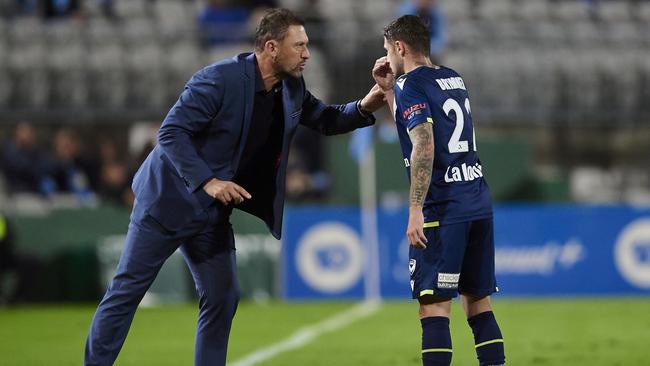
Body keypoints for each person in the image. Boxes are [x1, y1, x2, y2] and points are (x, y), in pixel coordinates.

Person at [84, 8, 384, 366]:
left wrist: (368, 104)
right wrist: (208, 181)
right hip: (167, 202)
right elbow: (170, 133)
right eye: (299, 45)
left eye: (307, 45)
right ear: (271, 47)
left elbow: (325, 119)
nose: (307, 53)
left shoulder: (291, 87)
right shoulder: (218, 79)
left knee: (222, 297)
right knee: (126, 292)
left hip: (211, 215)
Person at [372, 15, 505, 366]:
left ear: (399, 47)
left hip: (443, 207)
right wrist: (387, 91)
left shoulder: (410, 84)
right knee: (477, 301)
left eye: (387, 49)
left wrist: (416, 208)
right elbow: (423, 128)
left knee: (433, 307)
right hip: (477, 199)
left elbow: (425, 145)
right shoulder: (452, 77)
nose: (387, 56)